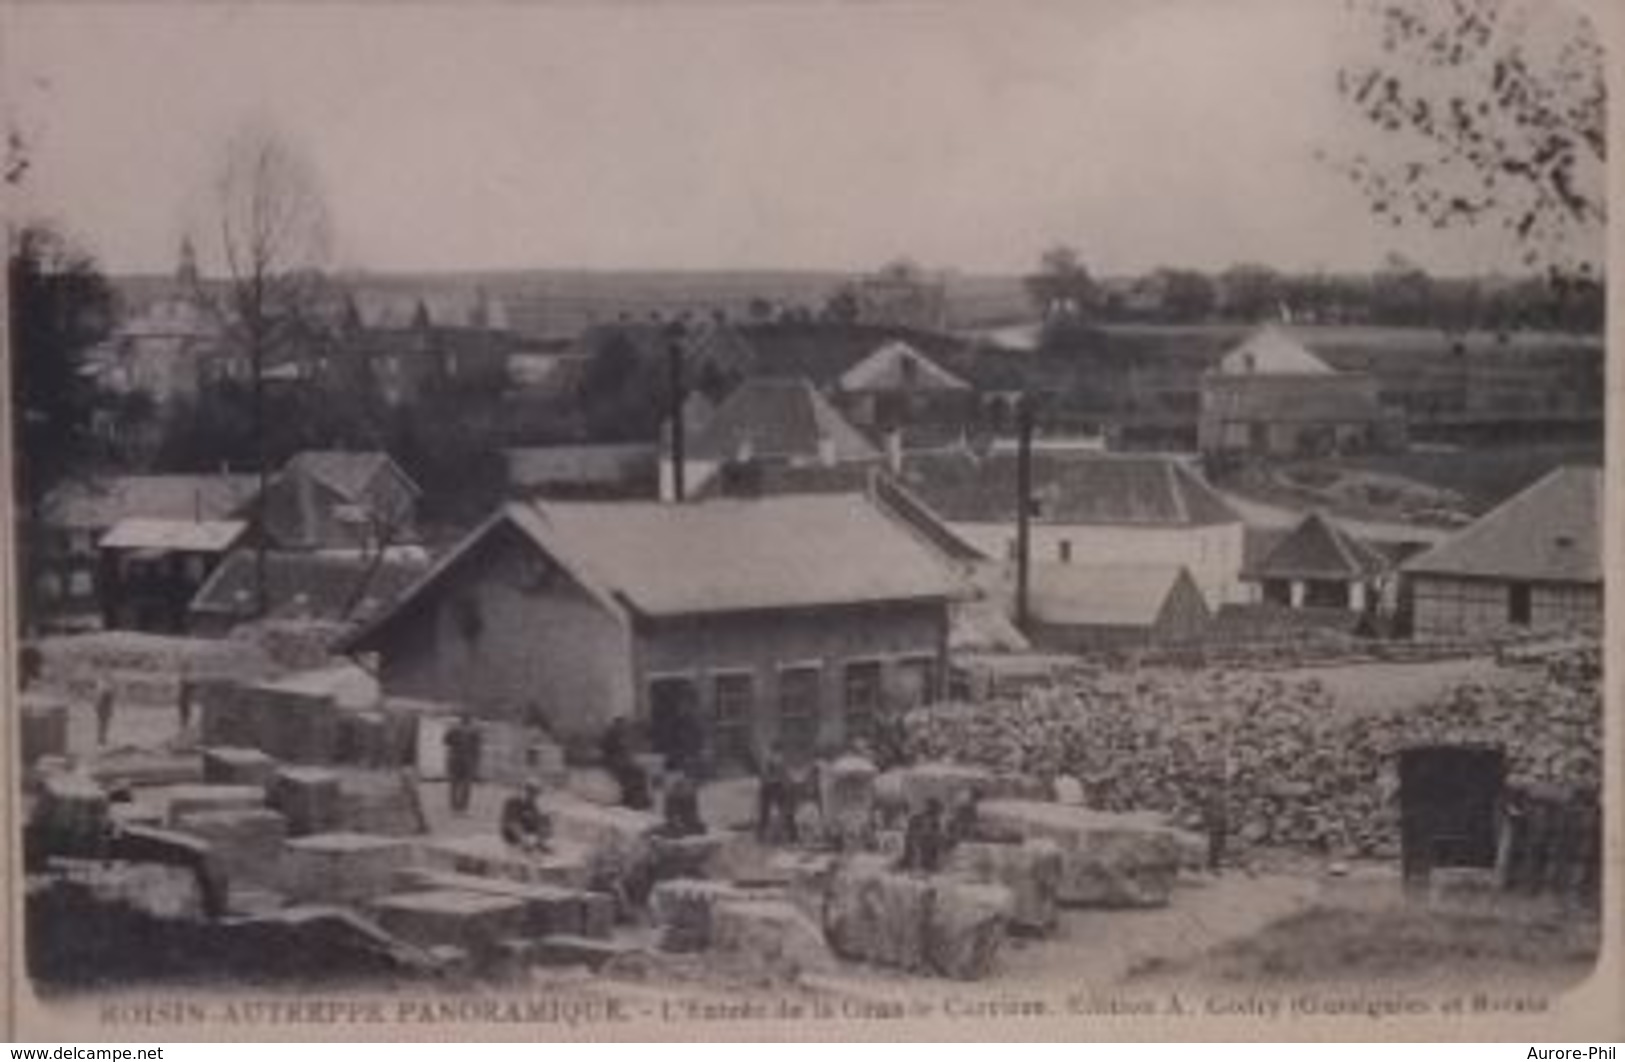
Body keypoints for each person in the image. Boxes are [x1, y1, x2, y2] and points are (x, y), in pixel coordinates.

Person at [443, 714, 482, 815]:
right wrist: (476, 762)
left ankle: (454, 806)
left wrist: (454, 745)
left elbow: (445, 741)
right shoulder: (475, 731)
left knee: (454, 784)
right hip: (467, 759)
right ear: (470, 720)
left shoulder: (453, 729)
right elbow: (477, 748)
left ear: (460, 720)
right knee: (466, 784)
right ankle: (463, 807)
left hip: (454, 757)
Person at [500, 781, 552, 852]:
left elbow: (539, 822)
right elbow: (512, 823)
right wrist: (525, 839)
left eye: (535, 793)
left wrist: (542, 838)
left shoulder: (532, 805)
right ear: (524, 790)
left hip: (528, 836)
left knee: (543, 819)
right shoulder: (513, 802)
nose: (533, 796)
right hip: (514, 837)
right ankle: (528, 847)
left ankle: (541, 845)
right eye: (530, 792)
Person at [898, 798, 946, 874]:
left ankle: (928, 864)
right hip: (918, 851)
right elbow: (912, 837)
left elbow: (938, 839)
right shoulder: (919, 819)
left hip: (926, 853)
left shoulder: (935, 822)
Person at [659, 771, 706, 838]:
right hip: (680, 824)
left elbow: (693, 814)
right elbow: (670, 816)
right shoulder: (672, 793)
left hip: (686, 824)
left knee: (698, 828)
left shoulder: (689, 792)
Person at [93, 677, 116, 747]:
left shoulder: (103, 690)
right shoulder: (106, 690)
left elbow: (100, 700)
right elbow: (100, 700)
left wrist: (96, 707)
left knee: (103, 725)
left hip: (103, 709)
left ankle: (101, 739)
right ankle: (101, 740)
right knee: (103, 725)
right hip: (104, 709)